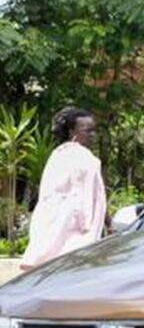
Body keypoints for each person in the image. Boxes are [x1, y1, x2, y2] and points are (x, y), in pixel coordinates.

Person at [20, 107, 108, 271]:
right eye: (88, 131)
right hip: (75, 234)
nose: (92, 135)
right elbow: (92, 198)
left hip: (48, 231)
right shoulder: (85, 158)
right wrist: (107, 224)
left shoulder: (56, 156)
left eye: (93, 131)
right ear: (71, 132)